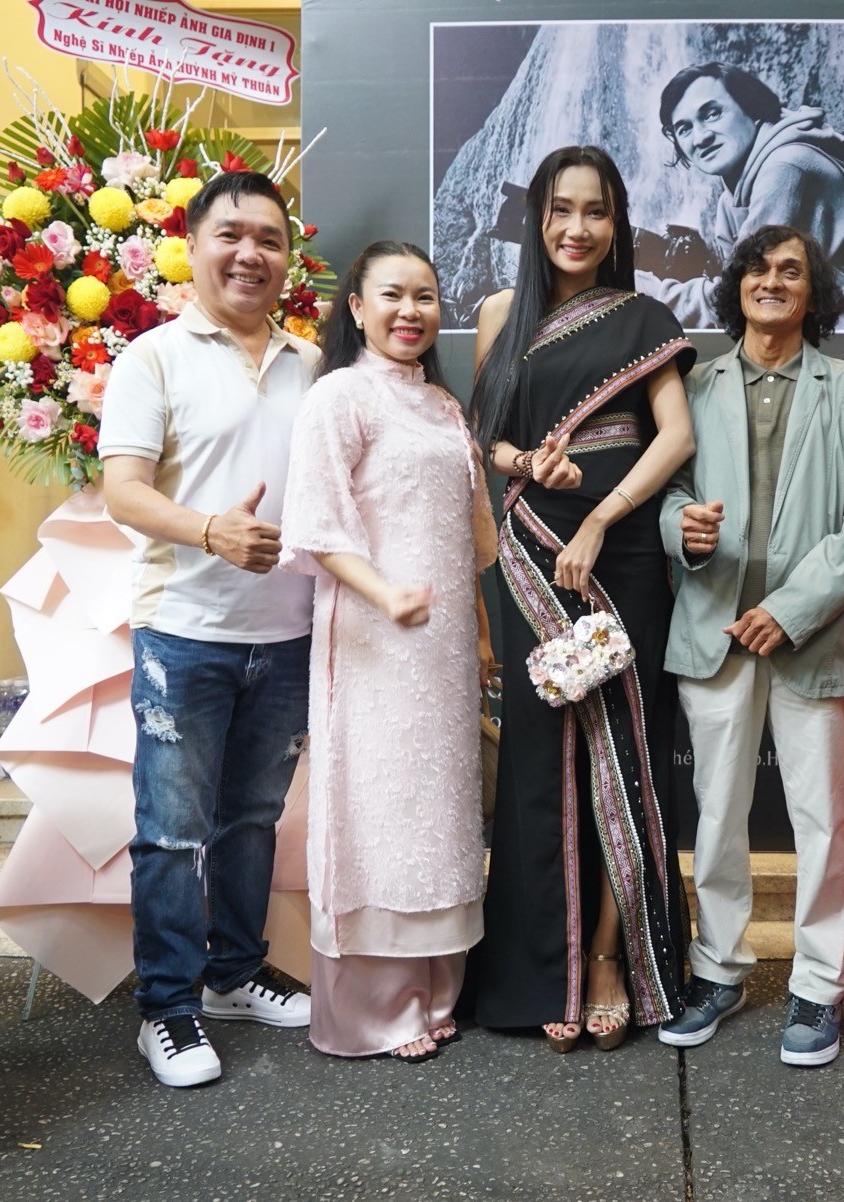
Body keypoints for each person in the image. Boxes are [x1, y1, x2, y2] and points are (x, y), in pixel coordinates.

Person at [465, 146, 698, 1052]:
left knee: (624, 757)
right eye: (561, 209)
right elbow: (488, 440)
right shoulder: (501, 313)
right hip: (529, 552)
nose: (577, 228)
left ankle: (608, 958)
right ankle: (541, 970)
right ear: (537, 217)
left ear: (617, 222)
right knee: (539, 759)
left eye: (595, 211)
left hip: (619, 553)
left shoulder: (644, 315)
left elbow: (673, 437)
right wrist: (529, 460)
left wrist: (601, 515)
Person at [657, 225, 844, 1067]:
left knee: (821, 821)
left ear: (813, 291)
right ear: (736, 286)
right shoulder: (693, 384)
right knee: (717, 813)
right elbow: (668, 488)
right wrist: (681, 528)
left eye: (791, 271)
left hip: (814, 637)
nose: (772, 282)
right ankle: (716, 969)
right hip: (714, 630)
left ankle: (819, 985)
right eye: (758, 269)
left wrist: (789, 611)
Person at [99, 170, 317, 1088]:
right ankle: (167, 1007)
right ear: (191, 246)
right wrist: (210, 531)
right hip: (185, 632)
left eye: (269, 239)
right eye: (231, 235)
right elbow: (123, 490)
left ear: (287, 257)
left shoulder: (312, 364)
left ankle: (232, 974)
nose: (250, 254)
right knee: (173, 832)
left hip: (290, 632)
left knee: (253, 820)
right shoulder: (152, 358)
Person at [278, 241, 497, 1063]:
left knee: (440, 811)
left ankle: (434, 994)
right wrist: (387, 595)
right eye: (393, 295)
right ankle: (376, 1007)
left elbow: (469, 539)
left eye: (426, 296)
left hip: (443, 648)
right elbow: (316, 526)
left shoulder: (444, 406)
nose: (411, 312)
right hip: (373, 642)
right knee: (379, 805)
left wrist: (478, 632)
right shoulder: (339, 396)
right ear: (357, 308)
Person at [640, 62, 844, 331]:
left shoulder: (786, 167)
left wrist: (649, 295)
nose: (700, 138)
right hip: (832, 324)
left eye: (712, 114)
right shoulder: (729, 200)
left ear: (750, 106)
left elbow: (737, 296)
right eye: (684, 129)